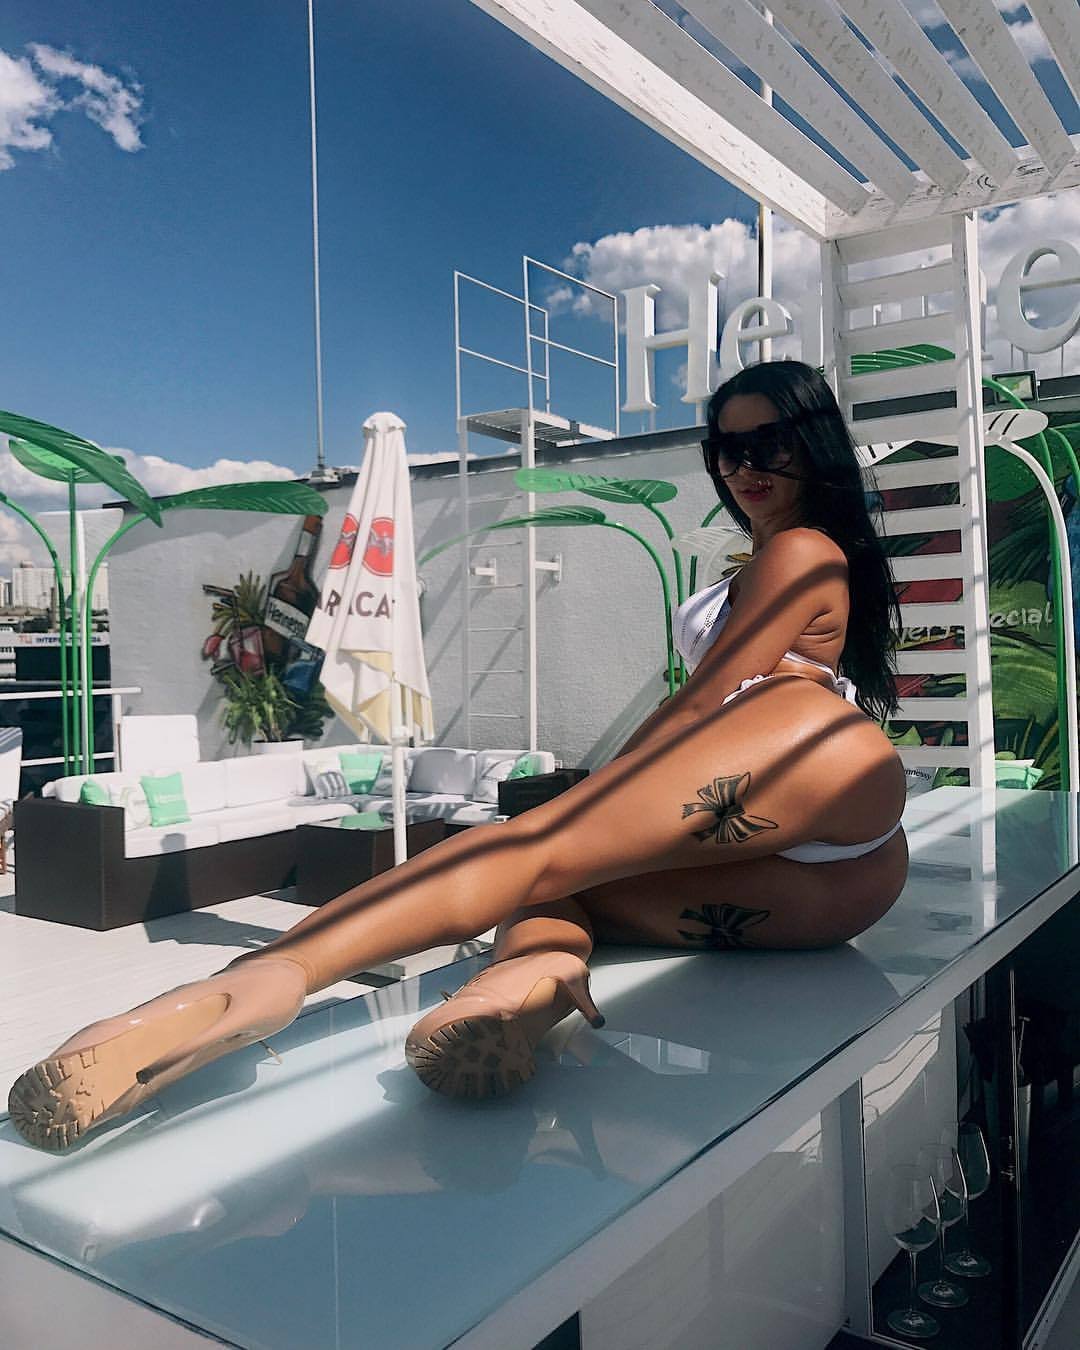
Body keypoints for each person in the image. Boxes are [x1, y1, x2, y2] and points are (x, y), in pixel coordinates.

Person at [9, 360, 909, 1151]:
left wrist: (583, 804)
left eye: (768, 443)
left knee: (535, 849)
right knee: (553, 889)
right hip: (837, 891)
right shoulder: (786, 555)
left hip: (800, 752)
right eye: (726, 448)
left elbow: (709, 698)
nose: (743, 466)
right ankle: (524, 990)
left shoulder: (800, 549)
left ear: (814, 443)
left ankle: (255, 982)